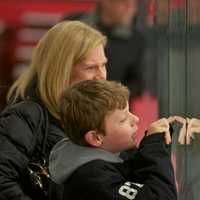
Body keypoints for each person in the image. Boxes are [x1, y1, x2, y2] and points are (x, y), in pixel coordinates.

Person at [0, 21, 107, 200]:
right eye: (90, 67)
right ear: (61, 70)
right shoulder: (23, 117)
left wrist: (153, 147)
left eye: (103, 65)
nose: (102, 76)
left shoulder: (103, 119)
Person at [49, 79, 177, 200]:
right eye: (123, 120)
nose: (136, 119)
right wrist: (154, 147)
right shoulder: (94, 180)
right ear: (95, 138)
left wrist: (154, 141)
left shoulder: (114, 152)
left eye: (129, 112)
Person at [64, 0, 147, 98]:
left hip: (112, 104)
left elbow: (138, 84)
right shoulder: (73, 24)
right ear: (106, 2)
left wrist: (111, 97)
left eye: (134, 5)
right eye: (124, 3)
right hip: (72, 99)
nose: (130, 9)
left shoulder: (136, 39)